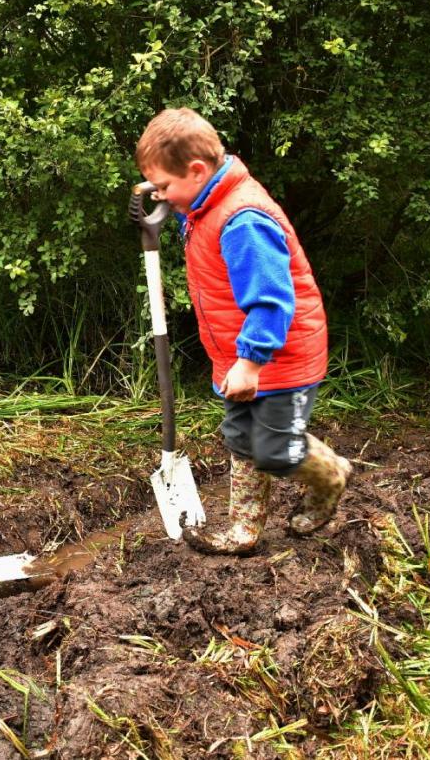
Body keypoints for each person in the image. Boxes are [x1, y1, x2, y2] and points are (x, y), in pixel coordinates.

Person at [135, 107, 353, 554]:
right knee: (239, 439)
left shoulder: (244, 220)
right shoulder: (204, 204)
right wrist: (162, 195)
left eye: (165, 186)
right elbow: (193, 217)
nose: (161, 194)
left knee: (274, 450)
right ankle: (244, 530)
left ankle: (332, 474)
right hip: (239, 356)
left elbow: (271, 301)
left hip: (279, 356)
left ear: (197, 171)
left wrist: (251, 362)